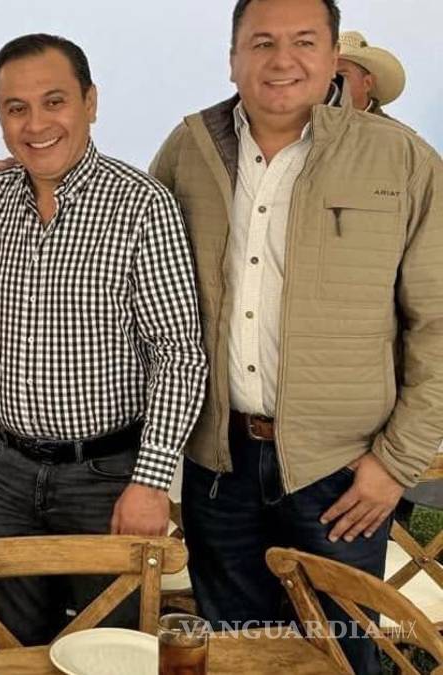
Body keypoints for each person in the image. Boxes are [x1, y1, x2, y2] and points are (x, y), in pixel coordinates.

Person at [149, 1, 442, 672]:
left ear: (333, 56)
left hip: (341, 473)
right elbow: (134, 253)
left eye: (304, 41)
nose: (282, 60)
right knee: (234, 654)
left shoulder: (399, 158)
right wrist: (12, 175)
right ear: (233, 58)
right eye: (262, 43)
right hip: (220, 468)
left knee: (340, 657)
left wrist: (395, 463)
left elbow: (438, 325)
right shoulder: (190, 148)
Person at [0, 33, 206, 647]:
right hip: (5, 471)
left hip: (107, 477)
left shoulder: (142, 205)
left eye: (54, 102)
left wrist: (151, 481)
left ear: (90, 102)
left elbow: (179, 353)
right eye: (16, 108)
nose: (36, 124)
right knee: (11, 645)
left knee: (109, 649)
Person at [336, 31, 404, 118]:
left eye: (341, 75)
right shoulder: (320, 119)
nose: (331, 80)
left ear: (367, 83)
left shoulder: (386, 127)